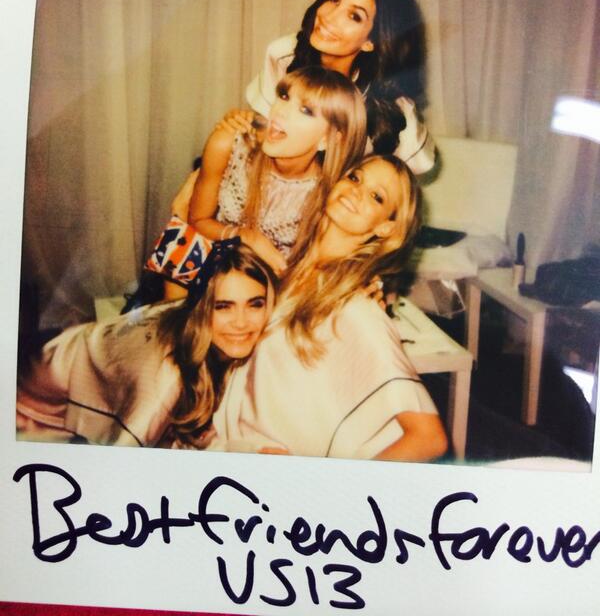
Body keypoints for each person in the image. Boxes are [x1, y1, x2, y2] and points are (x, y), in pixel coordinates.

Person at [210, 155, 448, 462]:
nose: (357, 191)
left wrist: (334, 487)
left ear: (387, 226)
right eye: (355, 177)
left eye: (377, 197)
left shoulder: (356, 308)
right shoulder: (288, 270)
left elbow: (429, 439)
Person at [16, 243, 277, 449]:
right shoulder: (166, 377)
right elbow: (125, 460)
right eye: (223, 307)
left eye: (255, 304)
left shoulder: (194, 322)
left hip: (63, 347)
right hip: (29, 393)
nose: (241, 322)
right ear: (200, 310)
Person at [243, 0, 436, 175]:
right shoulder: (284, 56)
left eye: (354, 16)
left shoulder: (390, 104)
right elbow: (266, 125)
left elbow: (419, 165)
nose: (329, 17)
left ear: (370, 42)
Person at [184, 65, 367, 277]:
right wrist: (245, 236)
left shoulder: (329, 195)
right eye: (284, 96)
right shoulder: (229, 144)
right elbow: (197, 220)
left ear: (328, 139)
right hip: (206, 272)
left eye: (305, 110)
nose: (280, 110)